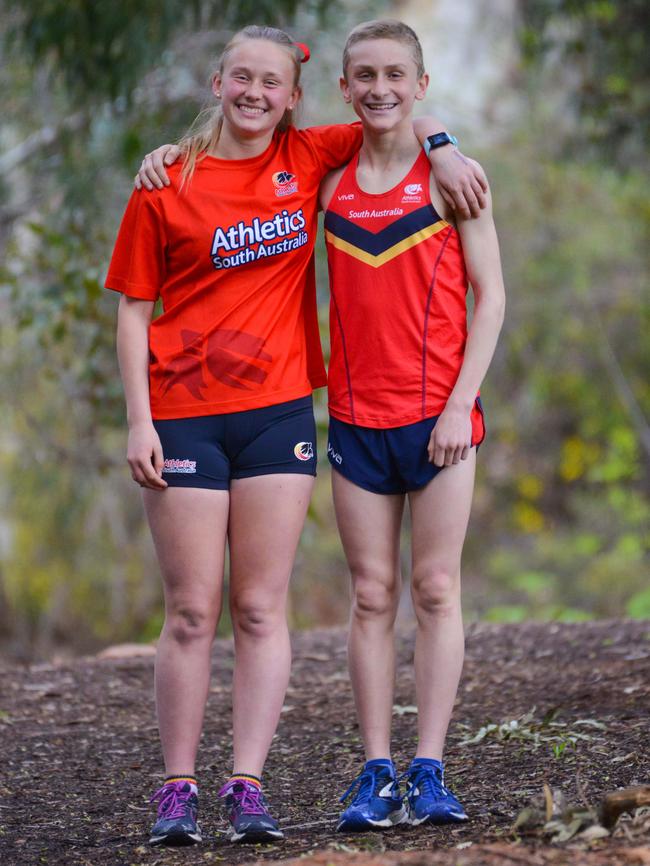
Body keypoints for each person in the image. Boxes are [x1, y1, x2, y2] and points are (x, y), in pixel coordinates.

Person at [112, 24, 488, 848]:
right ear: (218, 82)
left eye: (271, 83)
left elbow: (399, 110)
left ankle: (247, 785)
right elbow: (133, 308)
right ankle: (177, 788)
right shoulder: (167, 179)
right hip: (183, 411)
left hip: (281, 410)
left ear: (295, 97)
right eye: (240, 78)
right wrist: (138, 417)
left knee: (258, 606)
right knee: (189, 610)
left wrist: (449, 144)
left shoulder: (311, 156)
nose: (254, 93)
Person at [318, 20, 505, 832]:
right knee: (369, 596)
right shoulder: (327, 183)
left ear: (420, 84)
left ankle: (429, 768)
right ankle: (375, 773)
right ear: (344, 86)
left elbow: (491, 296)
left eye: (397, 73)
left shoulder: (454, 180)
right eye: (365, 74)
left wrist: (463, 401)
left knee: (435, 589)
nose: (380, 87)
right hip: (356, 420)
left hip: (441, 419)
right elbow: (244, 149)